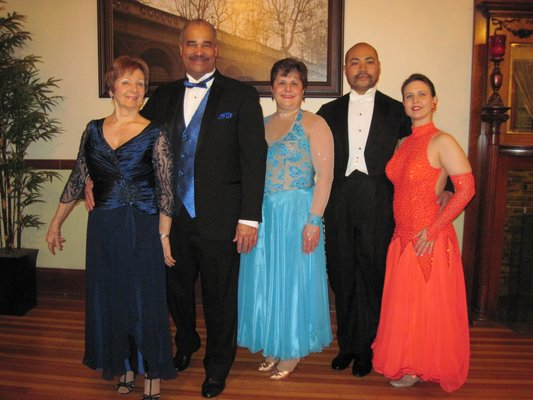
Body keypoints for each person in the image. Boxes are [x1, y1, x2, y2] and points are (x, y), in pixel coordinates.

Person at [85, 19, 267, 398]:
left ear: (216, 50)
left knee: (219, 297)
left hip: (221, 218)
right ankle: (186, 342)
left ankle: (217, 365)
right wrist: (93, 179)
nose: (199, 51)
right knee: (176, 291)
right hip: (168, 217)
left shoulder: (241, 96)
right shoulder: (162, 97)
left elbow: (254, 159)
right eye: (191, 44)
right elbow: (131, 144)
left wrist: (249, 218)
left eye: (206, 44)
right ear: (181, 49)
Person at [316, 43, 453, 377]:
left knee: (375, 275)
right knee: (342, 273)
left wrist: (447, 187)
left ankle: (370, 347)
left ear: (378, 67)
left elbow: (424, 148)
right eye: (354, 62)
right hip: (338, 203)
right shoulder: (327, 112)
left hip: (380, 203)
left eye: (369, 61)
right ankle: (348, 345)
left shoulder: (397, 110)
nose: (362, 68)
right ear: (345, 70)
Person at [46, 55, 177, 400]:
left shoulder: (155, 132)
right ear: (112, 87)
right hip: (104, 226)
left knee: (144, 299)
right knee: (113, 297)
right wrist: (55, 223)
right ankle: (126, 365)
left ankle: (152, 371)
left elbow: (166, 189)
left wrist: (164, 236)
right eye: (126, 81)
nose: (134, 89)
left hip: (142, 226)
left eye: (140, 83)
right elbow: (77, 179)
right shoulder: (92, 130)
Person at [372, 73, 473, 392]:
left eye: (422, 94)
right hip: (401, 236)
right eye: (409, 96)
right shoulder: (403, 143)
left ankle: (417, 365)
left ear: (434, 101)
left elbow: (466, 189)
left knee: (423, 306)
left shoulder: (442, 140)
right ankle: (408, 360)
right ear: (404, 104)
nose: (415, 100)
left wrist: (435, 227)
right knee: (405, 306)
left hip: (428, 237)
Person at [237, 58, 334, 379]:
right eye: (281, 82)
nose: (288, 88)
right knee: (266, 280)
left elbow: (326, 177)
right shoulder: (260, 124)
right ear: (272, 88)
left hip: (297, 214)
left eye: (294, 83)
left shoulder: (314, 124)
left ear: (304, 90)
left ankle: (291, 348)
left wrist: (314, 220)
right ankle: (274, 344)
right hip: (264, 215)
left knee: (292, 282)